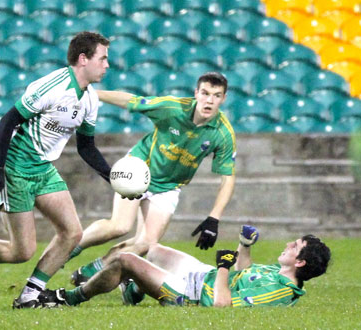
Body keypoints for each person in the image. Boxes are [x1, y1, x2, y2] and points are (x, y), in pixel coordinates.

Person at [0, 31, 113, 309]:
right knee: (21, 250)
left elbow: (86, 147)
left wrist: (113, 178)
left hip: (42, 168)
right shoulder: (53, 86)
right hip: (16, 166)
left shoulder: (90, 99)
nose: (107, 65)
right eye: (103, 58)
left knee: (72, 233)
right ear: (83, 58)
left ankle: (29, 296)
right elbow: (8, 120)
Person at [68, 72, 237, 286]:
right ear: (196, 93)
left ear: (223, 99)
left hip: (169, 186)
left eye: (216, 95)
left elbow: (228, 179)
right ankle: (68, 246)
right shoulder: (172, 108)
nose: (209, 100)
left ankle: (93, 269)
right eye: (205, 93)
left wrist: (214, 218)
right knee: (119, 226)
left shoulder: (223, 133)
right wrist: (93, 93)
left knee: (146, 244)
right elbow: (132, 101)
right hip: (139, 168)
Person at [35, 225, 331, 308]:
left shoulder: (279, 292)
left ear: (300, 262)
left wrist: (224, 269)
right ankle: (134, 288)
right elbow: (243, 272)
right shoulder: (276, 272)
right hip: (203, 274)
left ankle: (66, 298)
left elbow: (222, 305)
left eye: (295, 247)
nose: (288, 245)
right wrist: (244, 247)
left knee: (126, 260)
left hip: (190, 294)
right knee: (153, 249)